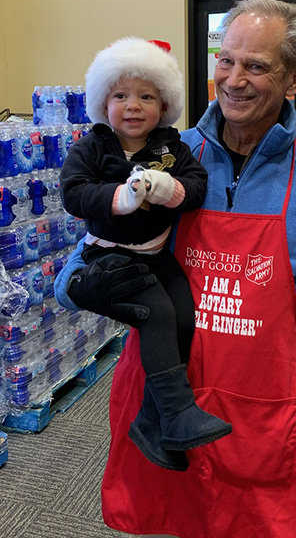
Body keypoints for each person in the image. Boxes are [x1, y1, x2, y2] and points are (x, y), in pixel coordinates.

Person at [55, 0, 296, 538]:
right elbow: (97, 238)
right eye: (226, 61)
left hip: (260, 417)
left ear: (294, 78)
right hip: (160, 399)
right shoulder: (168, 154)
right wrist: (75, 285)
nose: (234, 79)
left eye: (256, 65)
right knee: (163, 521)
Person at [59, 37, 231, 473]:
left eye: (146, 96)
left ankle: (156, 423)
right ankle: (176, 412)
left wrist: (169, 188)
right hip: (109, 256)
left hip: (155, 254)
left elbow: (196, 186)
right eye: (120, 95)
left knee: (184, 318)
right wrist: (121, 197)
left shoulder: (173, 148)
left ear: (164, 104)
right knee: (155, 312)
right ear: (104, 102)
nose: (133, 106)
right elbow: (74, 192)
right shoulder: (92, 147)